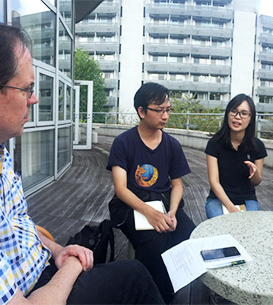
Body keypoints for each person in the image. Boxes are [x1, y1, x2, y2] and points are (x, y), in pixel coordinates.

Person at [0, 20, 163, 304]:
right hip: (29, 295)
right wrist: (73, 264)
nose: (34, 99)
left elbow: (16, 225)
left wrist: (56, 250)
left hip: (40, 273)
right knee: (133, 277)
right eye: (27, 89)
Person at [106, 82, 195, 303]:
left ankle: (175, 293)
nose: (165, 116)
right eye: (159, 110)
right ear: (142, 112)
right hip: (131, 205)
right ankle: (153, 296)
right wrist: (150, 213)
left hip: (164, 203)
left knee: (190, 237)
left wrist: (173, 211)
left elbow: (177, 185)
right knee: (154, 246)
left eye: (168, 109)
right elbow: (121, 188)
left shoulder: (172, 144)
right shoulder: (123, 142)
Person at [204, 94, 268, 218]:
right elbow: (214, 181)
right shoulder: (214, 143)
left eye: (244, 113)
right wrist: (230, 207)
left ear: (250, 118)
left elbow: (256, 182)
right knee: (219, 225)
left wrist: (253, 173)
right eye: (234, 111)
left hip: (247, 198)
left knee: (249, 227)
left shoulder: (257, 145)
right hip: (218, 198)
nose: (237, 117)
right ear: (227, 114)